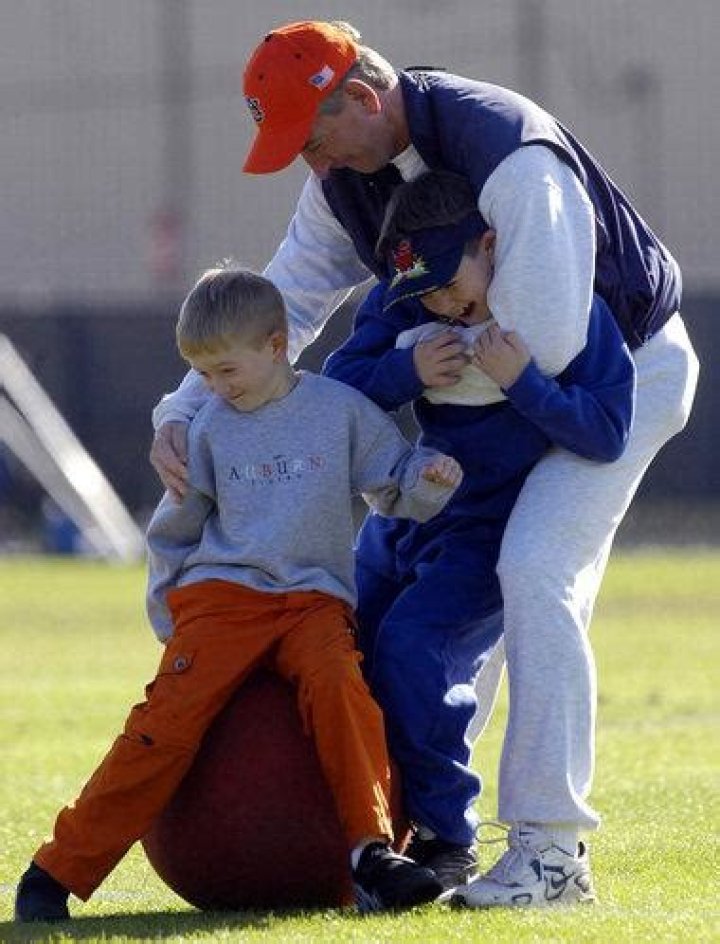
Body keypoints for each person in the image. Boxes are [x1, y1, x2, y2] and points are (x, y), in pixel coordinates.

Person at [149, 20, 699, 907]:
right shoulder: (346, 184)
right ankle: (424, 832)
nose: (311, 166)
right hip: (477, 417)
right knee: (420, 613)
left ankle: (554, 852)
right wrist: (184, 410)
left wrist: (397, 365)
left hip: (619, 378)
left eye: (314, 140)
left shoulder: (510, 149)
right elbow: (282, 305)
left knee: (533, 570)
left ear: (364, 100)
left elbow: (545, 347)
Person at [14, 266, 469, 923]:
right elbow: (173, 532)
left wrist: (430, 477)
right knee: (162, 726)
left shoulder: (339, 411)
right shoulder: (206, 427)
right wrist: (172, 613)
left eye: (225, 371)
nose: (212, 388)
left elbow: (395, 485)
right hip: (221, 598)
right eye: (201, 374)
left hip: (315, 601)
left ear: (277, 345)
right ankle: (57, 869)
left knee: (343, 691)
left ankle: (371, 856)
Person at [322, 169, 635, 896]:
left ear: (489, 243)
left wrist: (526, 382)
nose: (440, 303)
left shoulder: (561, 309)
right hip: (404, 514)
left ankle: (447, 837)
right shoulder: (407, 306)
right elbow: (336, 392)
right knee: (346, 644)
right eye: (421, 291)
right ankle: (369, 831)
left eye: (447, 281)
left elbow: (607, 433)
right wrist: (405, 369)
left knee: (414, 648)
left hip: (485, 532)